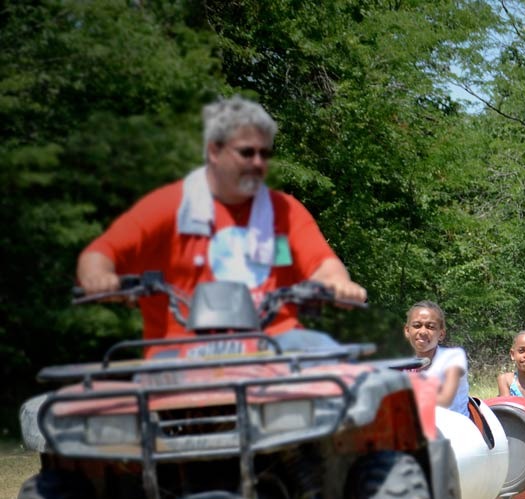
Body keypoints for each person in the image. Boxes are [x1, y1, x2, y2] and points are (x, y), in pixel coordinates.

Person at [75, 96, 366, 350]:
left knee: (338, 370)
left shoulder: (285, 211)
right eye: (246, 152)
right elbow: (100, 253)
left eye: (264, 154)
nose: (257, 163)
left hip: (277, 343)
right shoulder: (167, 206)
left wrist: (338, 284)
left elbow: (323, 265)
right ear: (214, 151)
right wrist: (97, 276)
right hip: (178, 347)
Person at [405, 300, 470, 416]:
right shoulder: (402, 362)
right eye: (417, 326)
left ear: (441, 334)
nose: (423, 331)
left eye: (430, 327)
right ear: (407, 331)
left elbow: (445, 400)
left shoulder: (453, 357)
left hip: (454, 427)